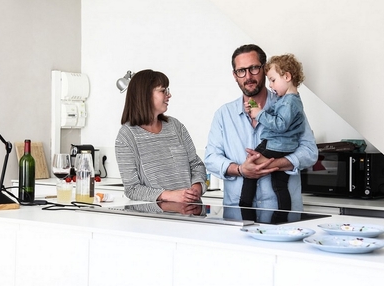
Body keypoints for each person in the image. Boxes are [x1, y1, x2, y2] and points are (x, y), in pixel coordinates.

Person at [204, 44, 318, 222]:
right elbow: (211, 158)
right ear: (235, 76)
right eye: (241, 71)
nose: (248, 76)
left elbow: (310, 152)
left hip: (285, 220)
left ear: (264, 69)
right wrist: (242, 170)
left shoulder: (289, 106)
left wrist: (273, 164)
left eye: (254, 68)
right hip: (237, 218)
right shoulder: (223, 115)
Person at [115, 69, 207, 203]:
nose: (169, 95)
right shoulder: (127, 136)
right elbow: (132, 189)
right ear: (145, 95)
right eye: (163, 91)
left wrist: (196, 187)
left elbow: (196, 165)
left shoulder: (176, 126)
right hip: (154, 219)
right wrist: (169, 195)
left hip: (189, 213)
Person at [240, 53, 306, 213]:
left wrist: (259, 114)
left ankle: (245, 210)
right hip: (283, 146)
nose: (270, 85)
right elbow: (272, 112)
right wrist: (257, 108)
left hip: (278, 145)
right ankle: (281, 218)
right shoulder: (286, 99)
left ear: (287, 76)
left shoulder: (290, 102)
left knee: (251, 168)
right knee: (280, 185)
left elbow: (280, 125)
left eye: (273, 80)